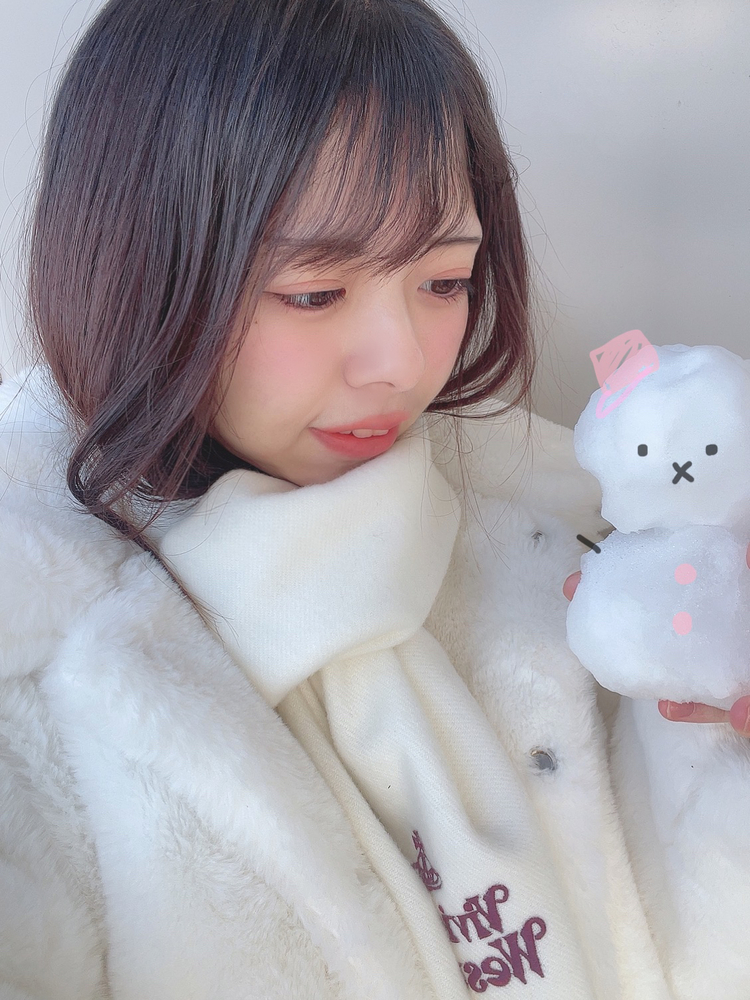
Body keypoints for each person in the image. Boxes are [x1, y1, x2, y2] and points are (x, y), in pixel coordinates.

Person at [0, 1, 744, 998]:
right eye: (315, 293)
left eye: (444, 281)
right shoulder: (32, 641)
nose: (401, 363)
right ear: (136, 265)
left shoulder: (574, 545)